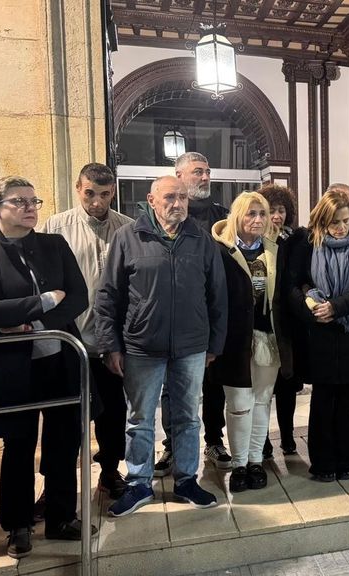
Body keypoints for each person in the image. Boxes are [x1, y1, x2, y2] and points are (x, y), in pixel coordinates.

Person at [0, 176, 89, 558]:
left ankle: (61, 515)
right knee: (18, 443)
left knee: (64, 440)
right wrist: (45, 301)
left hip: (59, 359)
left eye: (34, 201)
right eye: (19, 201)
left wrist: (33, 321)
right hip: (13, 367)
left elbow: (78, 297)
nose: (30, 207)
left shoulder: (54, 244)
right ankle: (17, 524)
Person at [96, 176, 227, 517]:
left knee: (188, 417)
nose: (178, 203)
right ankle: (139, 483)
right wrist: (110, 345)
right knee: (140, 419)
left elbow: (217, 295)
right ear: (151, 200)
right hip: (142, 346)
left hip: (191, 347)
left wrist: (214, 344)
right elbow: (108, 295)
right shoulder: (129, 237)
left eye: (182, 197)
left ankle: (186, 480)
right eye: (170, 197)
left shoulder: (201, 239)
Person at [42, 163, 133, 498]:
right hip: (71, 339)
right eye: (90, 193)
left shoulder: (128, 227)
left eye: (105, 194)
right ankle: (54, 488)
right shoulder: (56, 226)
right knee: (63, 420)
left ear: (113, 192)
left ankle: (109, 472)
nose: (97, 202)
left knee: (113, 413)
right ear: (78, 188)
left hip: (111, 342)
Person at [288, 191, 349, 481]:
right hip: (319, 332)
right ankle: (323, 463)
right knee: (323, 399)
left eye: (345, 221)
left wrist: (337, 307)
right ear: (321, 222)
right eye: (334, 223)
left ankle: (346, 461)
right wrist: (314, 311)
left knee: (347, 399)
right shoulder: (306, 244)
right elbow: (292, 286)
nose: (341, 228)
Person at [211, 192, 290, 492]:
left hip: (268, 337)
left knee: (262, 401)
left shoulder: (275, 248)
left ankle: (256, 461)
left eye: (263, 213)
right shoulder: (220, 250)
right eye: (251, 214)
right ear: (237, 216)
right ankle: (239, 464)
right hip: (234, 341)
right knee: (239, 405)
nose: (258, 220)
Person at [166, 152, 231, 474]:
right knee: (173, 387)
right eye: (197, 172)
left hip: (212, 313)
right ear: (179, 176)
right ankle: (171, 445)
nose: (205, 177)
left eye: (207, 171)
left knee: (213, 384)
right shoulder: (170, 215)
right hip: (176, 318)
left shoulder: (223, 217)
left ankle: (214, 440)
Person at [258, 183, 303, 456]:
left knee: (287, 385)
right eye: (271, 210)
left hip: (289, 323)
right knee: (263, 387)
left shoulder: (295, 239)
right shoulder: (254, 240)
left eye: (281, 210)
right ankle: (262, 440)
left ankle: (287, 436)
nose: (277, 216)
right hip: (264, 319)